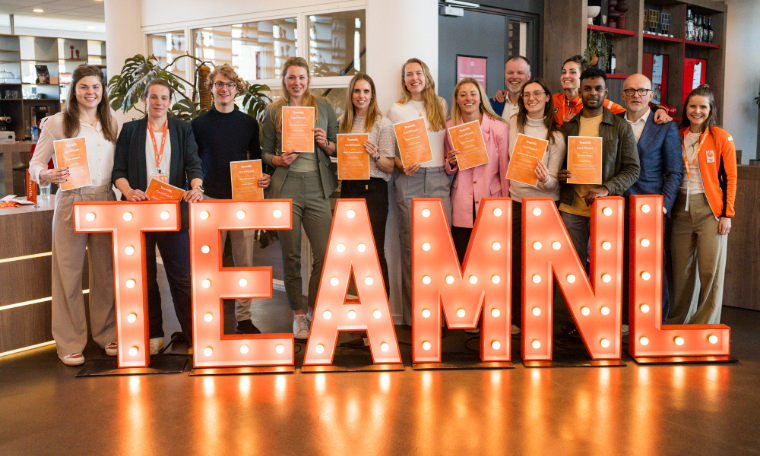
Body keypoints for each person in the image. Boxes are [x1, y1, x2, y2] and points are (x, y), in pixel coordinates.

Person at [28, 65, 119, 366]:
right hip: (71, 199)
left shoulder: (110, 122)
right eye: (84, 87)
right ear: (74, 90)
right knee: (68, 273)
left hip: (106, 198)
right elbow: (35, 164)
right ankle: (69, 342)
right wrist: (47, 174)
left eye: (95, 87)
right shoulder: (57, 122)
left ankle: (107, 335)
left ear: (102, 90)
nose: (90, 92)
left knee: (105, 273)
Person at [112, 79, 203, 354]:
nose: (159, 102)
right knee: (145, 276)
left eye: (164, 97)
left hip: (173, 212)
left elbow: (194, 165)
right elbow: (118, 172)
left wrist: (197, 188)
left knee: (182, 277)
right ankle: (154, 334)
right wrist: (128, 192)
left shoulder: (182, 129)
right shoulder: (130, 131)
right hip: (139, 212)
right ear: (144, 100)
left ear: (170, 101)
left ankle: (193, 337)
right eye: (153, 97)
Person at [261, 57, 338, 339]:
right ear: (284, 80)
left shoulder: (324, 107)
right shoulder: (273, 111)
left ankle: (315, 308)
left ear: (309, 79)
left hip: (318, 188)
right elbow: (264, 152)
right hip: (287, 188)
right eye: (291, 77)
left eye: (302, 77)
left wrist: (325, 143)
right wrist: (277, 160)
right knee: (290, 256)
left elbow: (336, 145)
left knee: (325, 253)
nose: (297, 83)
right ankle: (298, 316)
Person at [191, 64, 271, 335]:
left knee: (244, 262)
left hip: (241, 201)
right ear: (211, 87)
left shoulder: (248, 123)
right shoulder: (198, 124)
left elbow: (257, 160)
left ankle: (244, 317)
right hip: (209, 199)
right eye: (219, 84)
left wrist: (263, 178)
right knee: (208, 264)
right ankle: (207, 314)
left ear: (237, 89)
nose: (224, 89)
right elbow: (193, 163)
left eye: (230, 85)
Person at [387, 58, 451, 326]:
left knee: (439, 252)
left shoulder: (441, 104)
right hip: (409, 181)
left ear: (426, 76)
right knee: (411, 251)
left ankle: (438, 316)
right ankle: (416, 319)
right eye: (409, 74)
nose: (414, 78)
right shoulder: (396, 109)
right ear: (404, 81)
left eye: (418, 73)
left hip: (439, 180)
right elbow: (390, 149)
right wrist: (402, 165)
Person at [558, 67, 640, 273]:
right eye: (587, 88)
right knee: (572, 268)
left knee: (603, 269)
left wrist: (606, 188)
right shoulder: (567, 127)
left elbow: (632, 169)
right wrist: (558, 174)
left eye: (597, 88)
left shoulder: (621, 127)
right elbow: (557, 164)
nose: (592, 93)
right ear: (580, 92)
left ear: (606, 93)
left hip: (605, 208)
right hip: (571, 209)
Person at [669, 84, 737, 325]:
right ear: (686, 107)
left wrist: (727, 214)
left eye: (702, 107)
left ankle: (705, 325)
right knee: (682, 271)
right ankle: (679, 321)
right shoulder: (676, 134)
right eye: (692, 106)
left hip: (711, 211)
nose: (697, 111)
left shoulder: (721, 137)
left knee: (710, 271)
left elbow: (731, 177)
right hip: (681, 210)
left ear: (711, 109)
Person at [619, 74, 683, 327]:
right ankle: (625, 320)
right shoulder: (613, 122)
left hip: (651, 207)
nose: (636, 95)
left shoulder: (665, 126)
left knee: (652, 267)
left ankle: (656, 322)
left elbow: (675, 171)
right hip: (617, 206)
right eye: (631, 91)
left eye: (642, 91)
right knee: (620, 265)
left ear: (651, 95)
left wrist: (663, 205)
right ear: (622, 95)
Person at [507, 78, 566, 334]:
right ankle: (517, 320)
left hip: (544, 207)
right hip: (517, 204)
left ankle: (541, 321)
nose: (531, 98)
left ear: (546, 97)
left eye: (536, 94)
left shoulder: (555, 136)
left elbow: (553, 185)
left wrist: (544, 180)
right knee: (516, 265)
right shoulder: (512, 124)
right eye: (526, 94)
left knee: (541, 267)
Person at [338, 73, 396, 294]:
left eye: (366, 91)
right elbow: (339, 156)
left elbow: (389, 166)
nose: (361, 96)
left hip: (373, 191)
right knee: (350, 254)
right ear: (351, 94)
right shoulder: (342, 121)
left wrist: (375, 156)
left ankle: (380, 315)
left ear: (372, 95)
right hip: (348, 189)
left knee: (373, 252)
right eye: (357, 91)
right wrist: (326, 144)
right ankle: (359, 311)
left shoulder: (383, 124)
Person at [445, 77, 509, 263]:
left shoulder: (499, 127)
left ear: (481, 98)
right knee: (463, 258)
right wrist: (452, 162)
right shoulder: (450, 127)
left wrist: (506, 205)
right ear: (456, 100)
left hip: (491, 199)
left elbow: (504, 170)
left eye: (473, 94)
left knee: (490, 260)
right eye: (463, 95)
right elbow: (449, 169)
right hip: (462, 202)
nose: (468, 98)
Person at [552, 55, 672, 126]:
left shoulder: (597, 102)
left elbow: (631, 112)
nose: (566, 76)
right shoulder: (554, 100)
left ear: (584, 76)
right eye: (563, 72)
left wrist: (659, 109)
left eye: (572, 72)